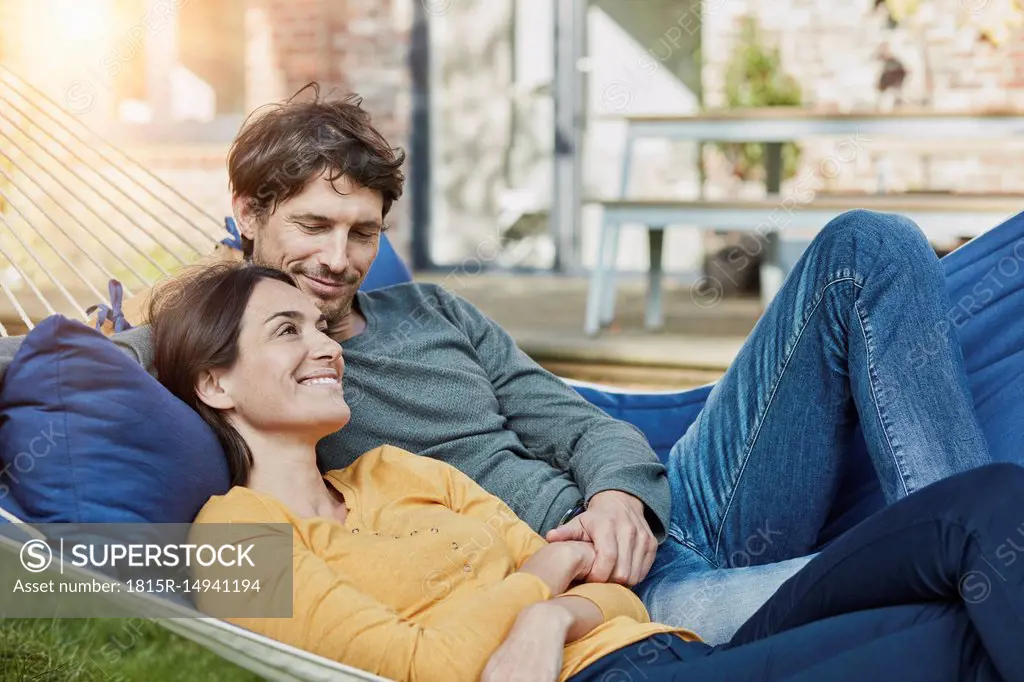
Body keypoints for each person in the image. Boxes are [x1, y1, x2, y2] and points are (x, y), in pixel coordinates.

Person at [0, 83, 1006, 641]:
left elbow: (567, 416)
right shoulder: (236, 351)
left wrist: (623, 495)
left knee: (867, 241)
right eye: (311, 225)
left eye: (361, 231)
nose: (336, 261)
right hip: (603, 593)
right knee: (939, 607)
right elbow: (90, 390)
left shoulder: (431, 309)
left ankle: (951, 515)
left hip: (679, 505)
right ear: (248, 217)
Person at [155, 261, 1021, 682]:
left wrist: (553, 608)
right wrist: (551, 568)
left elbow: (615, 593)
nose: (327, 348)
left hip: (654, 642)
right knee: (957, 630)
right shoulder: (237, 537)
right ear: (214, 380)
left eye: (320, 327)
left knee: (987, 510)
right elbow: (428, 670)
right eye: (288, 332)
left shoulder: (394, 469)